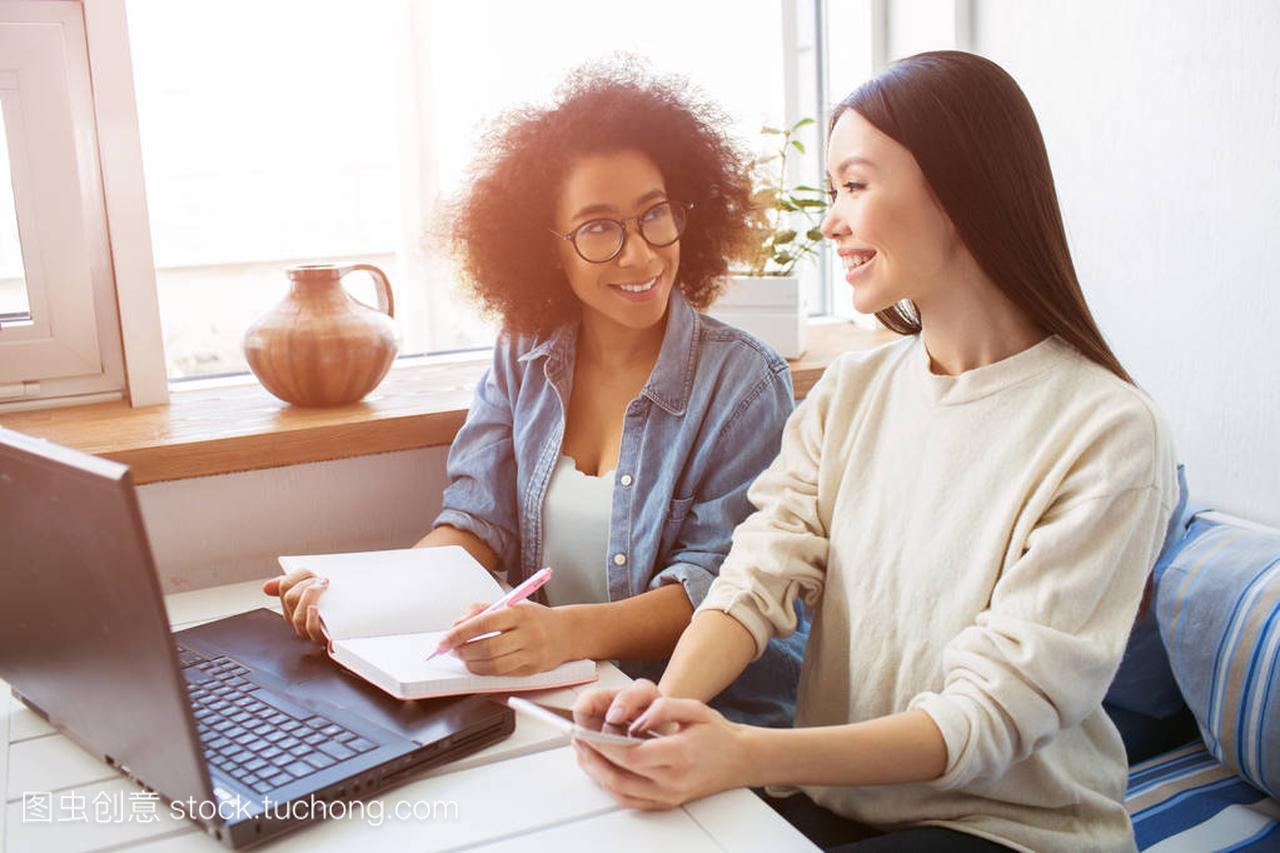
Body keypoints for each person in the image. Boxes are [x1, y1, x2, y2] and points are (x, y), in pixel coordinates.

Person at [570, 50, 1179, 852]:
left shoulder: (1107, 430)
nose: (830, 221)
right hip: (835, 805)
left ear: (960, 191)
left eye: (855, 185)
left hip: (1005, 828)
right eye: (832, 192)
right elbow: (758, 574)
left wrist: (743, 753)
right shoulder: (853, 392)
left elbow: (989, 712)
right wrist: (661, 716)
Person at [263, 60, 807, 727]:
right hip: (553, 696)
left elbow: (718, 588)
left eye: (654, 215)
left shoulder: (745, 384)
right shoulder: (523, 352)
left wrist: (563, 633)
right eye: (600, 228)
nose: (639, 255)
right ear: (548, 246)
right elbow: (476, 519)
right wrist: (361, 597)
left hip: (701, 714)